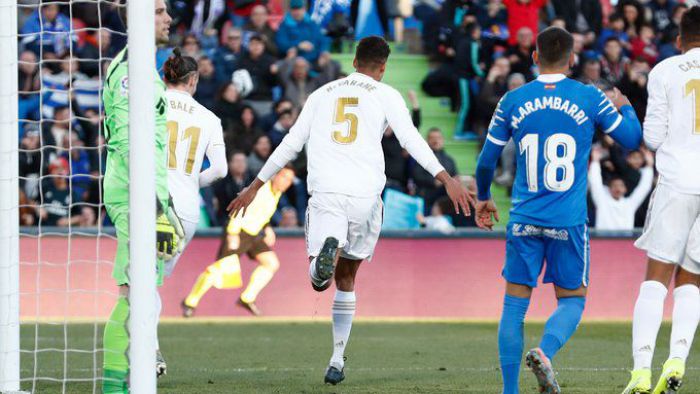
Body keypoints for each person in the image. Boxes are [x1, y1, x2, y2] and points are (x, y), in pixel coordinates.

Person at [228, 36, 472, 385]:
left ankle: (318, 268)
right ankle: (337, 360)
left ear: (355, 61)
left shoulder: (321, 94)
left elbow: (291, 143)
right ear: (383, 68)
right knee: (347, 279)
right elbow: (410, 139)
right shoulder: (387, 95)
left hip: (328, 189)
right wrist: (446, 178)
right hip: (367, 196)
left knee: (320, 281)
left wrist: (255, 185)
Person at [474, 27, 642, 394]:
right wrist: (625, 105)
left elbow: (486, 162)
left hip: (523, 220)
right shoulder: (589, 97)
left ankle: (509, 391)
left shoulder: (512, 100)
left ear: (535, 58)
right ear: (572, 60)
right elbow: (631, 139)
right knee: (573, 301)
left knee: (514, 305)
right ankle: (545, 353)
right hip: (567, 222)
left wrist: (484, 195)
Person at [100, 2, 183, 391]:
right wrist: (152, 207)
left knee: (142, 293)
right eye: (159, 11)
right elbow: (125, 141)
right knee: (132, 293)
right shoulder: (130, 73)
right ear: (137, 18)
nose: (169, 18)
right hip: (134, 194)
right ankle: (115, 385)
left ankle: (128, 377)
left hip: (147, 195)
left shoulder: (142, 67)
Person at [624, 7, 700, 394]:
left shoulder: (666, 70)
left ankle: (640, 372)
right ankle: (677, 361)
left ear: (679, 39)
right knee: (692, 280)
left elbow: (652, 137)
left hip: (677, 183)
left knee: (655, 282)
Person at [182, 168, 295, 317]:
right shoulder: (259, 189)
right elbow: (239, 207)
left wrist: (267, 228)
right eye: (284, 177)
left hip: (254, 233)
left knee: (271, 263)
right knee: (218, 270)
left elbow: (262, 213)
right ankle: (190, 301)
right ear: (275, 175)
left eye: (290, 180)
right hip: (239, 231)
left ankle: (247, 298)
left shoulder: (276, 192)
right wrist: (232, 233)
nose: (286, 182)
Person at [588, 147, 653, 231]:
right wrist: (595, 161)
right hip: (603, 242)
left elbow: (644, 187)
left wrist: (649, 165)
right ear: (609, 189)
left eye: (621, 185)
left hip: (624, 243)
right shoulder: (602, 201)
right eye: (614, 185)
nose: (617, 188)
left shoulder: (629, 204)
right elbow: (595, 182)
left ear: (625, 189)